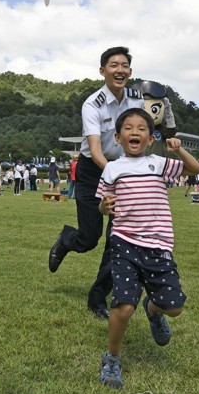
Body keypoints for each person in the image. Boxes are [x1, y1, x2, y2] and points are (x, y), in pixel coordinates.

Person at [96, 109, 199, 388]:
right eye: (128, 128)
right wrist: (103, 206)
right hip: (124, 243)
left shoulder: (159, 163)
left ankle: (153, 309)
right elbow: (103, 202)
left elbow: (196, 170)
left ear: (151, 138)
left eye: (142, 128)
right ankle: (112, 358)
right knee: (123, 306)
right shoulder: (112, 167)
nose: (135, 132)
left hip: (158, 246)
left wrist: (179, 151)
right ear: (118, 138)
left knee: (174, 307)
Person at [48, 46, 149, 319]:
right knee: (90, 237)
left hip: (122, 168)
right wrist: (116, 173)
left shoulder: (137, 101)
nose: (120, 70)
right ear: (103, 71)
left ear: (130, 71)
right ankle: (67, 240)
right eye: (114, 65)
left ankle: (98, 298)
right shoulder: (92, 104)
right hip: (93, 170)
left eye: (125, 65)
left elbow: (141, 136)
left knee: (116, 240)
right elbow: (95, 150)